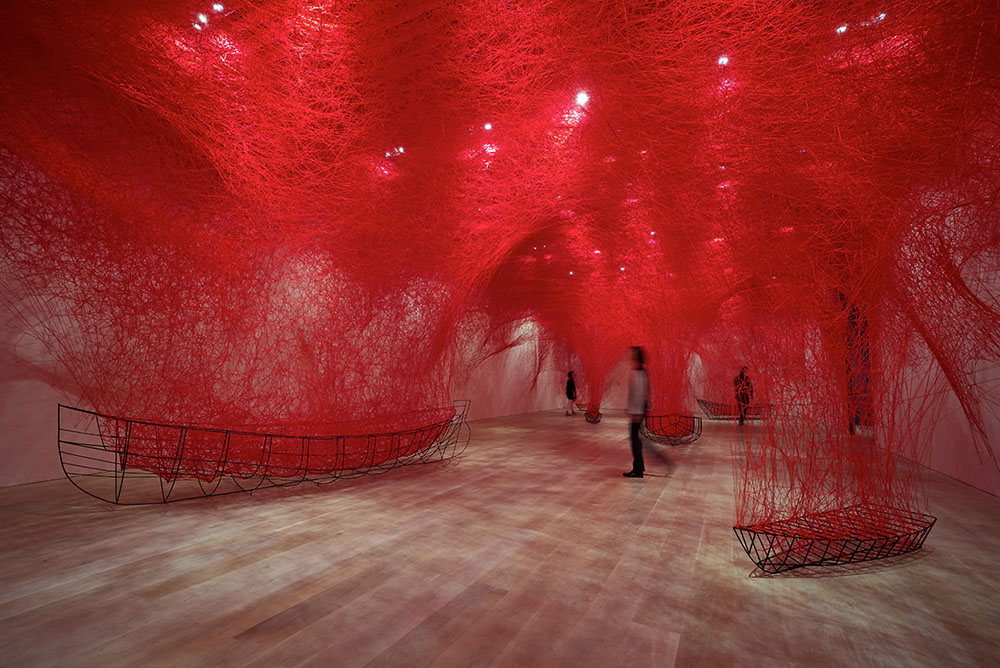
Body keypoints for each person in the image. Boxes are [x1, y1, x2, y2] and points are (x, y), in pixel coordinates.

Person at [623, 346, 649, 478]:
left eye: (633, 355)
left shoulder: (640, 373)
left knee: (634, 440)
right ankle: (639, 467)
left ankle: (638, 469)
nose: (630, 357)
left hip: (637, 412)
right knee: (635, 440)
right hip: (636, 411)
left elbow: (640, 394)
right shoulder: (640, 371)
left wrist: (637, 413)